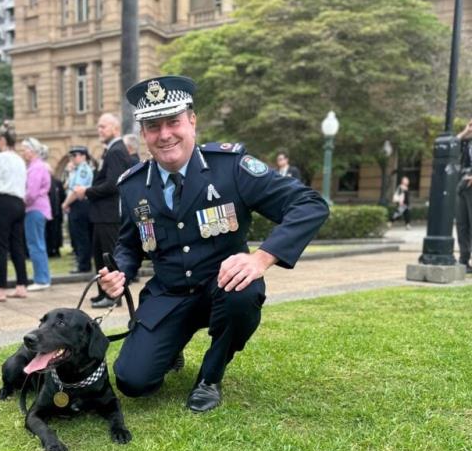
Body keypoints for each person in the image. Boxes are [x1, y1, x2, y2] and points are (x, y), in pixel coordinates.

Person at [98, 75, 329, 412]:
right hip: (169, 295)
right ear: (143, 134)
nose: (164, 135)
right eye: (153, 126)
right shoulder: (132, 185)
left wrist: (261, 259)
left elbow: (310, 204)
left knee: (244, 292)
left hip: (222, 286)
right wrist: (120, 273)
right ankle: (170, 344)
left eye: (173, 122)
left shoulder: (230, 167)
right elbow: (129, 245)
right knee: (133, 382)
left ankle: (210, 376)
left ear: (192, 120)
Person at [72, 113, 134, 307]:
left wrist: (86, 191)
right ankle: (104, 292)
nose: (99, 130)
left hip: (109, 214)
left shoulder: (116, 150)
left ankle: (114, 296)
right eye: (99, 127)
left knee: (109, 256)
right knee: (99, 256)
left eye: (103, 127)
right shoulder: (112, 149)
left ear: (115, 128)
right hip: (102, 214)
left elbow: (112, 185)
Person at [0, 122, 28, 302]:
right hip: (18, 202)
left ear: (2, 140)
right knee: (17, 245)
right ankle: (21, 285)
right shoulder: (20, 159)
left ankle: (1, 289)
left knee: (0, 247)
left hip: (2, 201)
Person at [20, 137, 52, 291]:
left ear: (32, 151)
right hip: (39, 209)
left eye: (24, 149)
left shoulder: (35, 167)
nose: (23, 152)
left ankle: (41, 279)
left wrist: (21, 202)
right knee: (39, 244)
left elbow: (31, 193)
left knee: (35, 244)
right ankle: (43, 277)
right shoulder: (38, 166)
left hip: (34, 208)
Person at [62, 146, 93, 273]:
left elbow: (76, 190)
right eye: (72, 156)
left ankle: (84, 265)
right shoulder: (77, 170)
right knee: (77, 235)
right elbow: (67, 186)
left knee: (81, 236)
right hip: (76, 205)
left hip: (80, 204)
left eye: (76, 155)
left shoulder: (83, 170)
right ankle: (82, 263)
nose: (73, 158)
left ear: (84, 156)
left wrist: (65, 204)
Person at [456, 118, 472, 271]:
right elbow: (451, 146)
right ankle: (464, 260)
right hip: (462, 185)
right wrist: (464, 132)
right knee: (462, 224)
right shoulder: (467, 142)